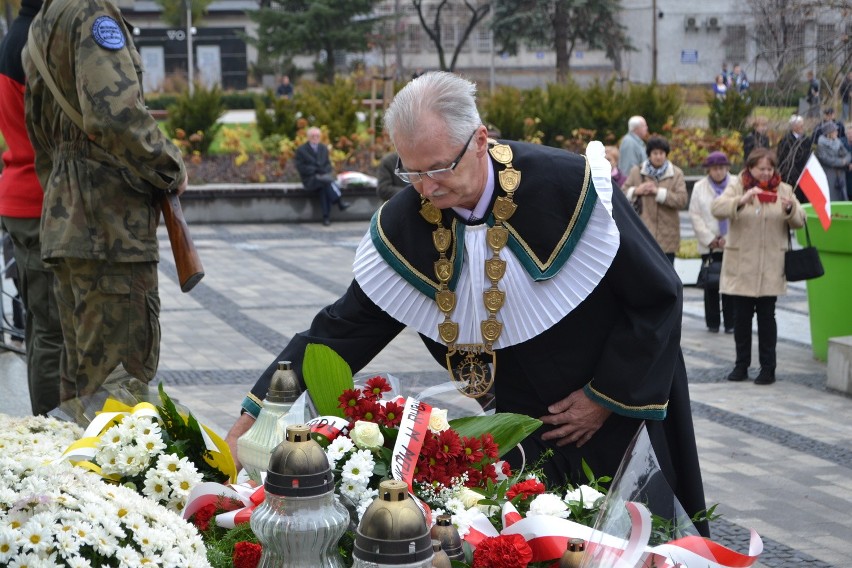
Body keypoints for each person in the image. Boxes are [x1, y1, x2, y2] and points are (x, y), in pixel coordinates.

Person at [225, 72, 709, 535]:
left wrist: (604, 398)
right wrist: (258, 409)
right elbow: (337, 332)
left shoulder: (571, 184)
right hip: (525, 431)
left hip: (619, 410)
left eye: (439, 168)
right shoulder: (408, 222)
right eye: (411, 171)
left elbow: (657, 297)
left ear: (479, 140)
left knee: (644, 541)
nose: (427, 188)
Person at [23, 0, 188, 403]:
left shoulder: (45, 19)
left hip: (70, 223)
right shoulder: (93, 12)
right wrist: (171, 166)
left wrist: (65, 198)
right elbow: (114, 113)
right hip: (110, 228)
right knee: (119, 397)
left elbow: (39, 133)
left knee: (82, 392)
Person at [0, 0, 64, 415]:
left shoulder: (16, 37)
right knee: (52, 331)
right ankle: (50, 431)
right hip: (40, 200)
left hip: (23, 196)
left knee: (41, 326)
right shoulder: (36, 41)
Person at [711, 148, 805, 385]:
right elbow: (717, 208)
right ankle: (741, 365)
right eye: (761, 168)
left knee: (767, 318)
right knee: (741, 318)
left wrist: (789, 210)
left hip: (771, 265)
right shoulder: (737, 185)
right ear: (750, 168)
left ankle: (768, 368)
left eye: (769, 168)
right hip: (742, 264)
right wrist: (740, 201)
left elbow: (800, 220)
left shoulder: (784, 189)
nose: (766, 173)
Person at [621, 135, 688, 264]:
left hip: (668, 233)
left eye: (661, 153)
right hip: (643, 231)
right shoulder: (637, 171)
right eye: (655, 153)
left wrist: (659, 193)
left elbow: (682, 200)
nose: (658, 156)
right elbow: (622, 193)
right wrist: (636, 190)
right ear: (649, 154)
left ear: (666, 154)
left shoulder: (676, 173)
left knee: (667, 276)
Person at [688, 152, 734, 334]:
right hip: (709, 245)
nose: (718, 172)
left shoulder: (736, 184)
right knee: (711, 285)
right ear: (709, 170)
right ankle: (713, 322)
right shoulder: (700, 187)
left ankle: (731, 322)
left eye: (721, 168)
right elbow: (695, 215)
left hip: (731, 244)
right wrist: (711, 239)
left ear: (727, 168)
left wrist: (727, 239)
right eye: (714, 169)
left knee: (731, 286)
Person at [294, 126, 351, 226]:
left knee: (324, 189)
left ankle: (326, 218)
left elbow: (328, 165)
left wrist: (324, 171)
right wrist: (316, 170)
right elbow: (301, 167)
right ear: (308, 137)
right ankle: (339, 201)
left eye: (317, 136)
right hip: (310, 180)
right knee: (326, 183)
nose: (315, 138)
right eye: (313, 136)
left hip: (323, 180)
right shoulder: (301, 150)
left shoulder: (323, 148)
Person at [776, 115, 812, 203]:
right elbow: (783, 159)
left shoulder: (806, 139)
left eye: (803, 125)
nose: (802, 128)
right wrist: (794, 174)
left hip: (804, 174)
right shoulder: (785, 141)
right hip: (791, 176)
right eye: (800, 125)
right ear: (794, 126)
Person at [815, 122, 851, 201]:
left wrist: (845, 161)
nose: (837, 132)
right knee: (831, 198)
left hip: (840, 175)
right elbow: (827, 160)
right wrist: (841, 162)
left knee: (843, 198)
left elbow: (848, 155)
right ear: (829, 133)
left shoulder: (838, 142)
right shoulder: (821, 145)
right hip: (829, 175)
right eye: (835, 131)